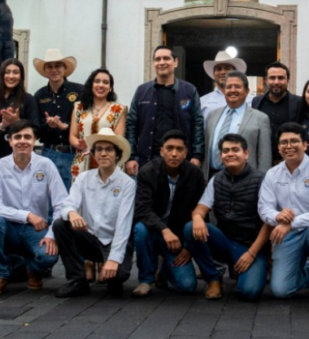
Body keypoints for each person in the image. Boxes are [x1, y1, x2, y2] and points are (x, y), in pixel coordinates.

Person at [0, 120, 68, 295]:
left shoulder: (46, 165)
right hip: (7, 228)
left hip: (36, 229)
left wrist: (51, 235)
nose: (22, 141)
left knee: (48, 256)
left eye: (27, 137)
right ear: (10, 141)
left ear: (35, 140)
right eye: (18, 137)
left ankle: (34, 270)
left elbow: (61, 203)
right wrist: (27, 215)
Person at [259, 122, 309, 307]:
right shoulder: (272, 174)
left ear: (305, 145)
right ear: (278, 147)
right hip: (289, 233)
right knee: (280, 290)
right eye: (284, 142)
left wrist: (290, 223)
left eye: (294, 141)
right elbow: (264, 208)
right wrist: (277, 217)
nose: (289, 146)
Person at [185, 133, 271, 301]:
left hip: (251, 247)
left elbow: (269, 222)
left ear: (246, 153)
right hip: (225, 242)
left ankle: (245, 268)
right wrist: (197, 217)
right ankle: (213, 279)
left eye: (235, 150)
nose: (230, 154)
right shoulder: (216, 179)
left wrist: (251, 254)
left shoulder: (261, 180)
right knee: (190, 228)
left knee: (250, 293)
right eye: (225, 151)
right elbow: (202, 207)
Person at [52, 128, 136, 297]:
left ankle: (114, 276)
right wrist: (72, 213)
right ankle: (77, 280)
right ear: (93, 154)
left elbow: (124, 225)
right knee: (61, 224)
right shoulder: (84, 178)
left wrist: (113, 259)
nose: (103, 154)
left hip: (113, 241)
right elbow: (67, 205)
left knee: (118, 275)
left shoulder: (127, 183)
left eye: (109, 149)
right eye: (99, 149)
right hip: (90, 239)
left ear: (117, 155)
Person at [132, 130, 205, 297]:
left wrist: (189, 247)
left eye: (179, 149)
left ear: (186, 152)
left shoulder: (195, 174)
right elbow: (142, 209)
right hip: (154, 231)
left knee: (187, 286)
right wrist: (164, 230)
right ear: (161, 151)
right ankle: (145, 280)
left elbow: (201, 211)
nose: (174, 154)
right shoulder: (148, 171)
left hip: (177, 239)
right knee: (140, 229)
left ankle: (164, 270)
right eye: (169, 148)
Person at [125, 45, 204, 175]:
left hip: (181, 160)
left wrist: (197, 155)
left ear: (175, 62)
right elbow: (132, 125)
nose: (162, 62)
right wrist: (131, 157)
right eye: (157, 59)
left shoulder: (189, 91)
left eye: (166, 58)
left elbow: (197, 124)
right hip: (148, 161)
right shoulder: (141, 91)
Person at [203, 71, 272, 177]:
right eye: (229, 87)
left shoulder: (260, 118)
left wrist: (262, 182)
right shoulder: (212, 116)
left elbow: (265, 157)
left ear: (247, 91)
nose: (233, 90)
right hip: (213, 177)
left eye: (237, 87)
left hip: (246, 179)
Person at [32, 49, 84, 190]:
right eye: (49, 66)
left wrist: (65, 127)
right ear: (45, 70)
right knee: (47, 195)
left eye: (58, 66)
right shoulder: (39, 95)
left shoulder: (80, 91)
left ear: (65, 68)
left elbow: (87, 123)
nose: (54, 70)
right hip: (48, 153)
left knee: (72, 195)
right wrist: (48, 126)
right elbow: (36, 128)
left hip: (73, 153)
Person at [69, 68, 126, 180]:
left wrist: (97, 148)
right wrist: (79, 144)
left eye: (105, 82)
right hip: (82, 162)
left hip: (109, 161)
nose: (101, 85)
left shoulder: (118, 109)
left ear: (110, 88)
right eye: (97, 81)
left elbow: (119, 139)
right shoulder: (79, 107)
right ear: (91, 85)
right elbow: (72, 135)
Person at [0, 58, 41, 163]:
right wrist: (2, 126)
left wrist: (18, 122)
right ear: (1, 75)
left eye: (16, 72)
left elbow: (36, 129)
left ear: (21, 76)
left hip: (23, 154)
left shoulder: (28, 99)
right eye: (7, 72)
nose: (11, 76)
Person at [252, 62, 302, 165]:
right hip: (262, 163)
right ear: (266, 81)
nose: (276, 81)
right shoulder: (256, 102)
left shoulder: (299, 103)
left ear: (287, 80)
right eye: (272, 78)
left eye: (281, 78)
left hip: (290, 162)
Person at [200, 50, 252, 120]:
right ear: (213, 73)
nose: (223, 72)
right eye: (218, 69)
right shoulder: (203, 102)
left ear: (235, 72)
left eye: (227, 68)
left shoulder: (251, 100)